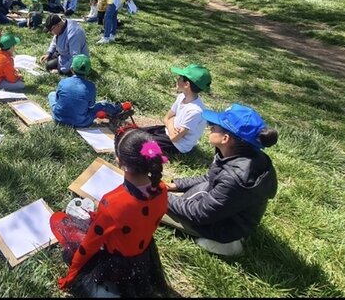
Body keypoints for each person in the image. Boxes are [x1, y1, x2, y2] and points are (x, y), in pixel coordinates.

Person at [50, 128, 169, 297]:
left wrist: (72, 273)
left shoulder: (113, 203)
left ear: (120, 161)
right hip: (144, 257)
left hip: (115, 263)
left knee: (59, 221)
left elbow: (89, 245)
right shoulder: (162, 189)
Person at [161, 103, 278, 257]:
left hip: (223, 226)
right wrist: (176, 185)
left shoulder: (235, 178)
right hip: (224, 211)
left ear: (225, 138)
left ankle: (229, 244)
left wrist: (161, 194)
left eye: (215, 126)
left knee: (152, 206)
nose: (210, 127)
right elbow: (210, 177)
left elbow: (199, 214)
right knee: (169, 199)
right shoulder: (239, 154)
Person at [139, 64, 211, 154]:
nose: (177, 80)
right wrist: (171, 123)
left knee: (137, 143)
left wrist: (171, 121)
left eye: (180, 78)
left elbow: (175, 138)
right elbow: (165, 118)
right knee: (135, 133)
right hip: (168, 131)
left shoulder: (195, 111)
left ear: (186, 84)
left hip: (177, 145)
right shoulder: (181, 97)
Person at [47, 54, 121, 128]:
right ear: (88, 71)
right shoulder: (91, 86)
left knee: (52, 94)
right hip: (81, 122)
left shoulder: (63, 82)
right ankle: (117, 109)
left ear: (71, 68)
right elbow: (91, 106)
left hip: (58, 118)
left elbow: (57, 99)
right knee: (103, 104)